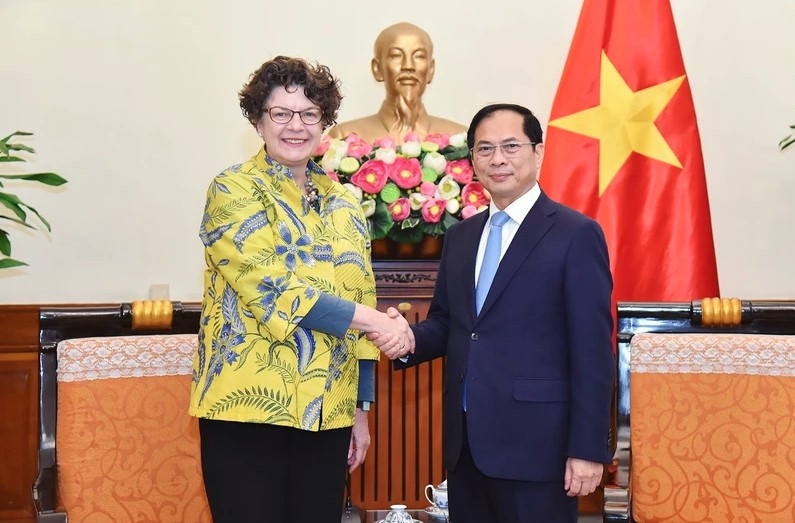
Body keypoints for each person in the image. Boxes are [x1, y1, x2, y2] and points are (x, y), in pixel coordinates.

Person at [189, 55, 413, 523]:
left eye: (310, 113)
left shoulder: (345, 201)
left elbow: (361, 296)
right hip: (247, 405)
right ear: (258, 121)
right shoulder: (233, 189)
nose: (296, 125)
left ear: (324, 123)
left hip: (329, 408)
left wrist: (360, 410)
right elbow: (273, 288)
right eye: (281, 113)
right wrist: (376, 323)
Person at [374, 103, 615, 523]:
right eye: (485, 149)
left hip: (540, 450)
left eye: (510, 146)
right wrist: (408, 338)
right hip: (467, 448)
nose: (497, 159)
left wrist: (588, 449)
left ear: (538, 152)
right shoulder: (461, 236)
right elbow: (451, 324)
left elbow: (593, 351)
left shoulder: (575, 234)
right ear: (472, 160)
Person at [326, 22, 467, 144]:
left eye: (419, 56)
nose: (408, 66)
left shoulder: (461, 139)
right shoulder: (343, 138)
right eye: (396, 55)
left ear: (431, 69)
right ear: (377, 68)